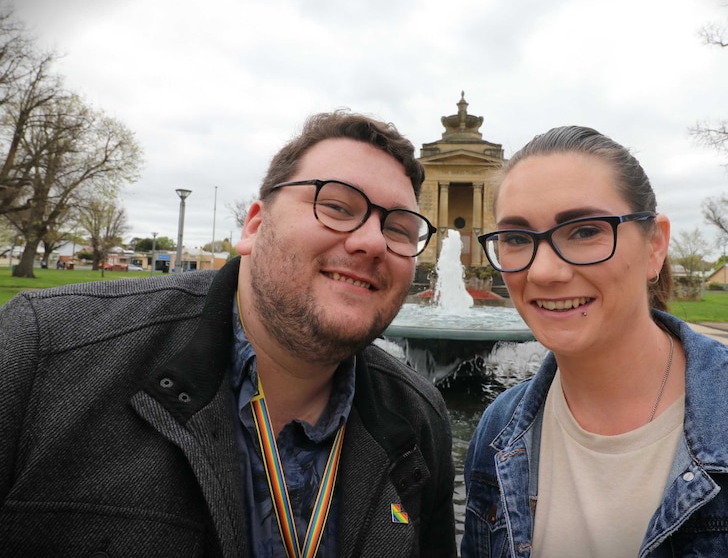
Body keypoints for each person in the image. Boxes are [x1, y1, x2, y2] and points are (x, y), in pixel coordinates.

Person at [0, 111, 457, 557]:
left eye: (399, 228)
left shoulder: (419, 417)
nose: (372, 241)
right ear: (255, 226)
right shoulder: (43, 350)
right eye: (336, 206)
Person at [460, 125, 728, 557]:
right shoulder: (498, 431)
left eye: (583, 231)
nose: (544, 272)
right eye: (517, 239)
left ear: (655, 245)